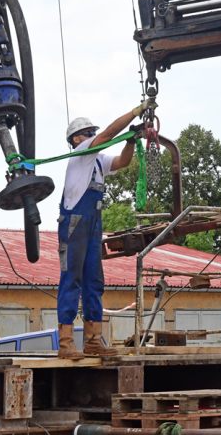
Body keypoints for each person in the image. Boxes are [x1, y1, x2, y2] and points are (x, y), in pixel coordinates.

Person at [57, 99, 156, 359]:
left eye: (92, 133)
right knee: (71, 280)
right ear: (77, 138)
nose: (93, 136)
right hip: (75, 223)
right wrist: (135, 112)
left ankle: (92, 340)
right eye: (89, 133)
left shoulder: (98, 161)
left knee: (94, 281)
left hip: (92, 225)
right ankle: (66, 343)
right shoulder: (81, 154)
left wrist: (131, 141)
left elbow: (123, 162)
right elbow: (108, 134)